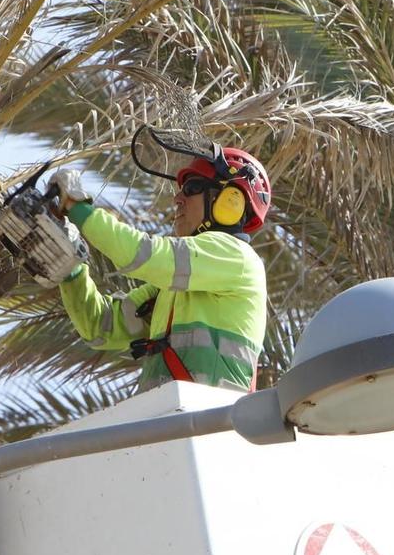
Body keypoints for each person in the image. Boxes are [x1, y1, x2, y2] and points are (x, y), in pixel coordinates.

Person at [38, 147, 271, 392]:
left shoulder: (236, 257)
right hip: (167, 422)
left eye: (191, 189)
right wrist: (71, 269)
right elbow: (100, 326)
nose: (177, 199)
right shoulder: (170, 294)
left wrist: (78, 207)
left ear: (230, 201)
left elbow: (142, 254)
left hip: (207, 422)